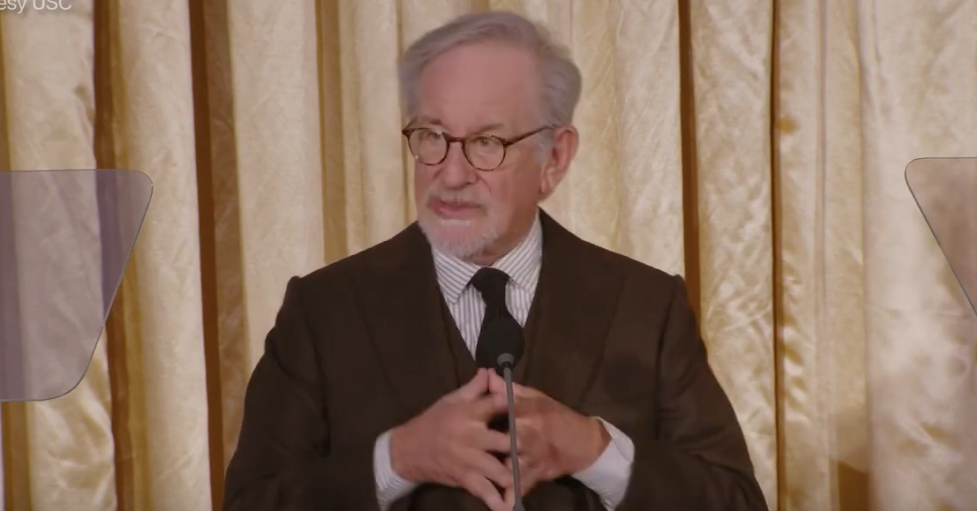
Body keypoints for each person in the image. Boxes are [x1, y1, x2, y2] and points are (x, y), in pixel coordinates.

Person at [222, 10, 768, 511]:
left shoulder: (646, 308)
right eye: (432, 136)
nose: (452, 174)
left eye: (487, 143)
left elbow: (737, 503)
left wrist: (594, 450)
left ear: (555, 158)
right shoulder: (323, 312)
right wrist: (397, 459)